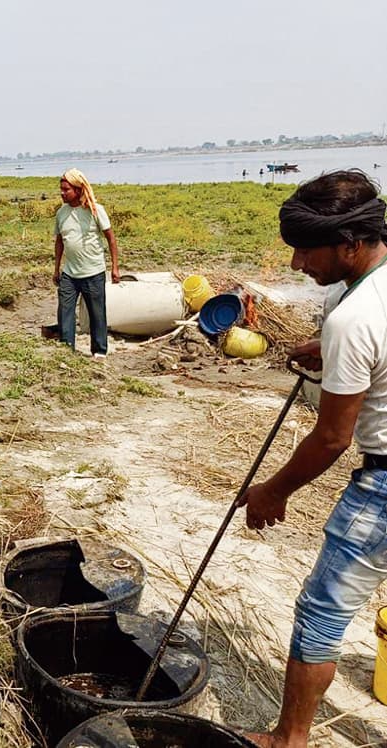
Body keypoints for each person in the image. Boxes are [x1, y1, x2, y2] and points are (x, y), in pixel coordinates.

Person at [238, 170, 387, 748]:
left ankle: (289, 739)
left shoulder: (353, 319)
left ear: (349, 242)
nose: (298, 263)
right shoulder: (370, 290)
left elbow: (331, 439)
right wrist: (327, 347)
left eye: (305, 249)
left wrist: (272, 491)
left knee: (322, 610)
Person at [52, 168, 120, 358]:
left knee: (97, 314)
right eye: (61, 189)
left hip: (93, 272)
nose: (62, 193)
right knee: (65, 312)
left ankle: (99, 351)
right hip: (69, 274)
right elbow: (59, 242)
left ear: (78, 190)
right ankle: (67, 351)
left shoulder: (96, 211)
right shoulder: (61, 213)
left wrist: (115, 268)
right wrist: (57, 269)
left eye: (66, 190)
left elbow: (111, 239)